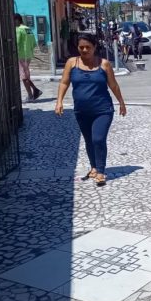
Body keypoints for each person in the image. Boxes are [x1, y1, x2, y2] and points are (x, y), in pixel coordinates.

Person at [55, 33, 126, 187]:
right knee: (88, 140)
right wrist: (59, 101)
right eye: (81, 47)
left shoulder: (104, 64)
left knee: (98, 139)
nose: (85, 50)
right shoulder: (71, 63)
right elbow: (64, 83)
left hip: (103, 110)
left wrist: (121, 102)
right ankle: (93, 167)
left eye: (88, 47)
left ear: (95, 47)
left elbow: (113, 85)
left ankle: (100, 171)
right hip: (81, 111)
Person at [14, 14, 42, 102]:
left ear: (17, 20)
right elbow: (34, 43)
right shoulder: (28, 29)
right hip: (28, 55)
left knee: (24, 77)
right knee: (25, 75)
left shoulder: (19, 30)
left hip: (21, 55)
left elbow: (16, 43)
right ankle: (34, 92)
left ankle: (32, 94)